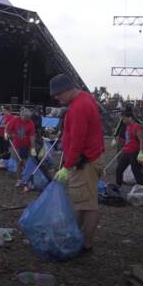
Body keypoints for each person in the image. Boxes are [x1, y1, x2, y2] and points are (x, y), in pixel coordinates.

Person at [50, 74, 104, 256]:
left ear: (66, 89)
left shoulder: (79, 107)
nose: (57, 99)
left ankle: (86, 245)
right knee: (82, 202)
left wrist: (67, 165)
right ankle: (77, 238)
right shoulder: (83, 99)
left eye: (58, 95)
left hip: (85, 162)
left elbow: (77, 141)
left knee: (87, 204)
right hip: (87, 159)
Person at [115, 106, 143, 187]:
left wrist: (141, 152)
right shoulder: (128, 126)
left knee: (136, 172)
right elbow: (128, 139)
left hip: (134, 153)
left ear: (129, 118)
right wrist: (119, 140)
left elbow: (141, 139)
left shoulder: (136, 126)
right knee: (119, 170)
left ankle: (142, 188)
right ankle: (118, 187)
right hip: (126, 152)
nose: (123, 121)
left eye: (124, 119)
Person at [5, 107, 37, 187]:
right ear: (21, 115)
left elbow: (32, 136)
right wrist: (6, 134)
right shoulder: (15, 120)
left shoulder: (31, 123)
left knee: (26, 163)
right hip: (17, 145)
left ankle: (28, 179)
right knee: (19, 163)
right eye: (25, 118)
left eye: (28, 118)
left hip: (26, 146)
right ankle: (19, 179)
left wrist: (33, 148)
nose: (27, 119)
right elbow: (8, 128)